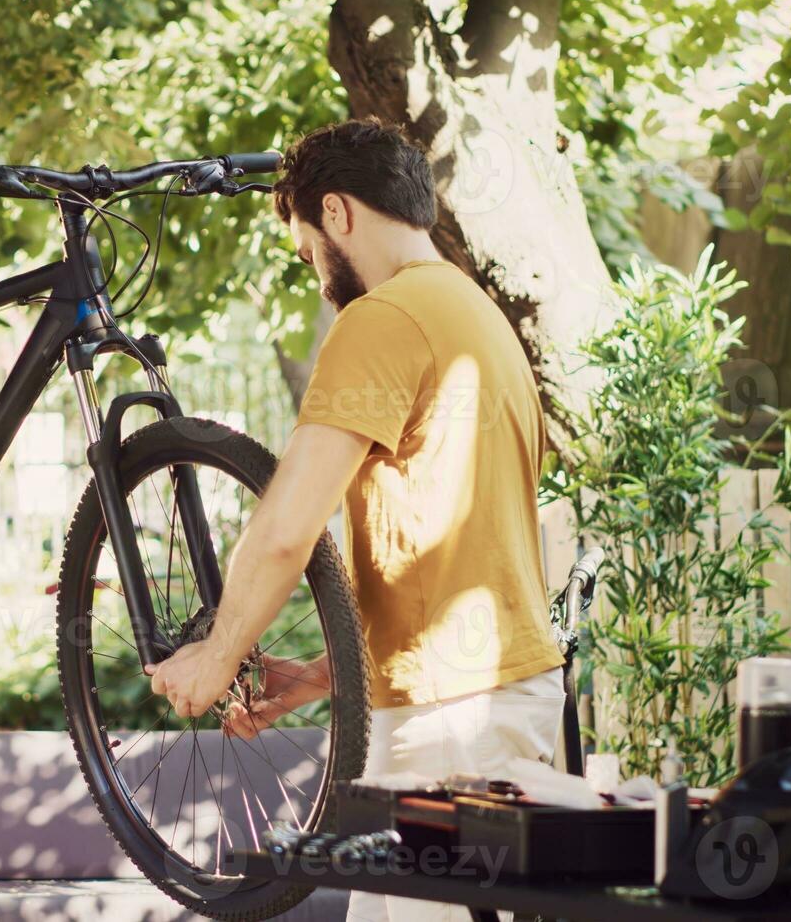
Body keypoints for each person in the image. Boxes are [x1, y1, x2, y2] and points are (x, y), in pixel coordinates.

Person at [144, 119, 567, 922]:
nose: (316, 277)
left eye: (307, 253)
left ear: (337, 213)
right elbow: (463, 557)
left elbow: (284, 528)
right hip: (476, 702)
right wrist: (321, 678)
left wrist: (215, 655)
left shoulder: (383, 318)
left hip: (452, 725)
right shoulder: (475, 319)